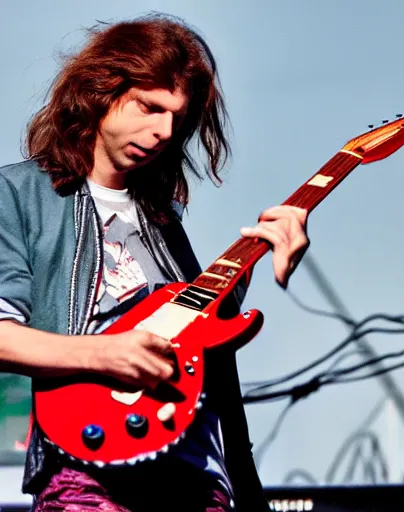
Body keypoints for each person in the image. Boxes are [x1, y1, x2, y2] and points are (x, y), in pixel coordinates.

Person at [0, 13, 309, 512]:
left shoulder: (163, 218)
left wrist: (260, 247)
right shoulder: (21, 195)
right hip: (85, 468)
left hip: (197, 475)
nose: (164, 130)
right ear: (101, 89)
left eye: (177, 118)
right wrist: (105, 354)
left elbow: (195, 327)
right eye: (149, 107)